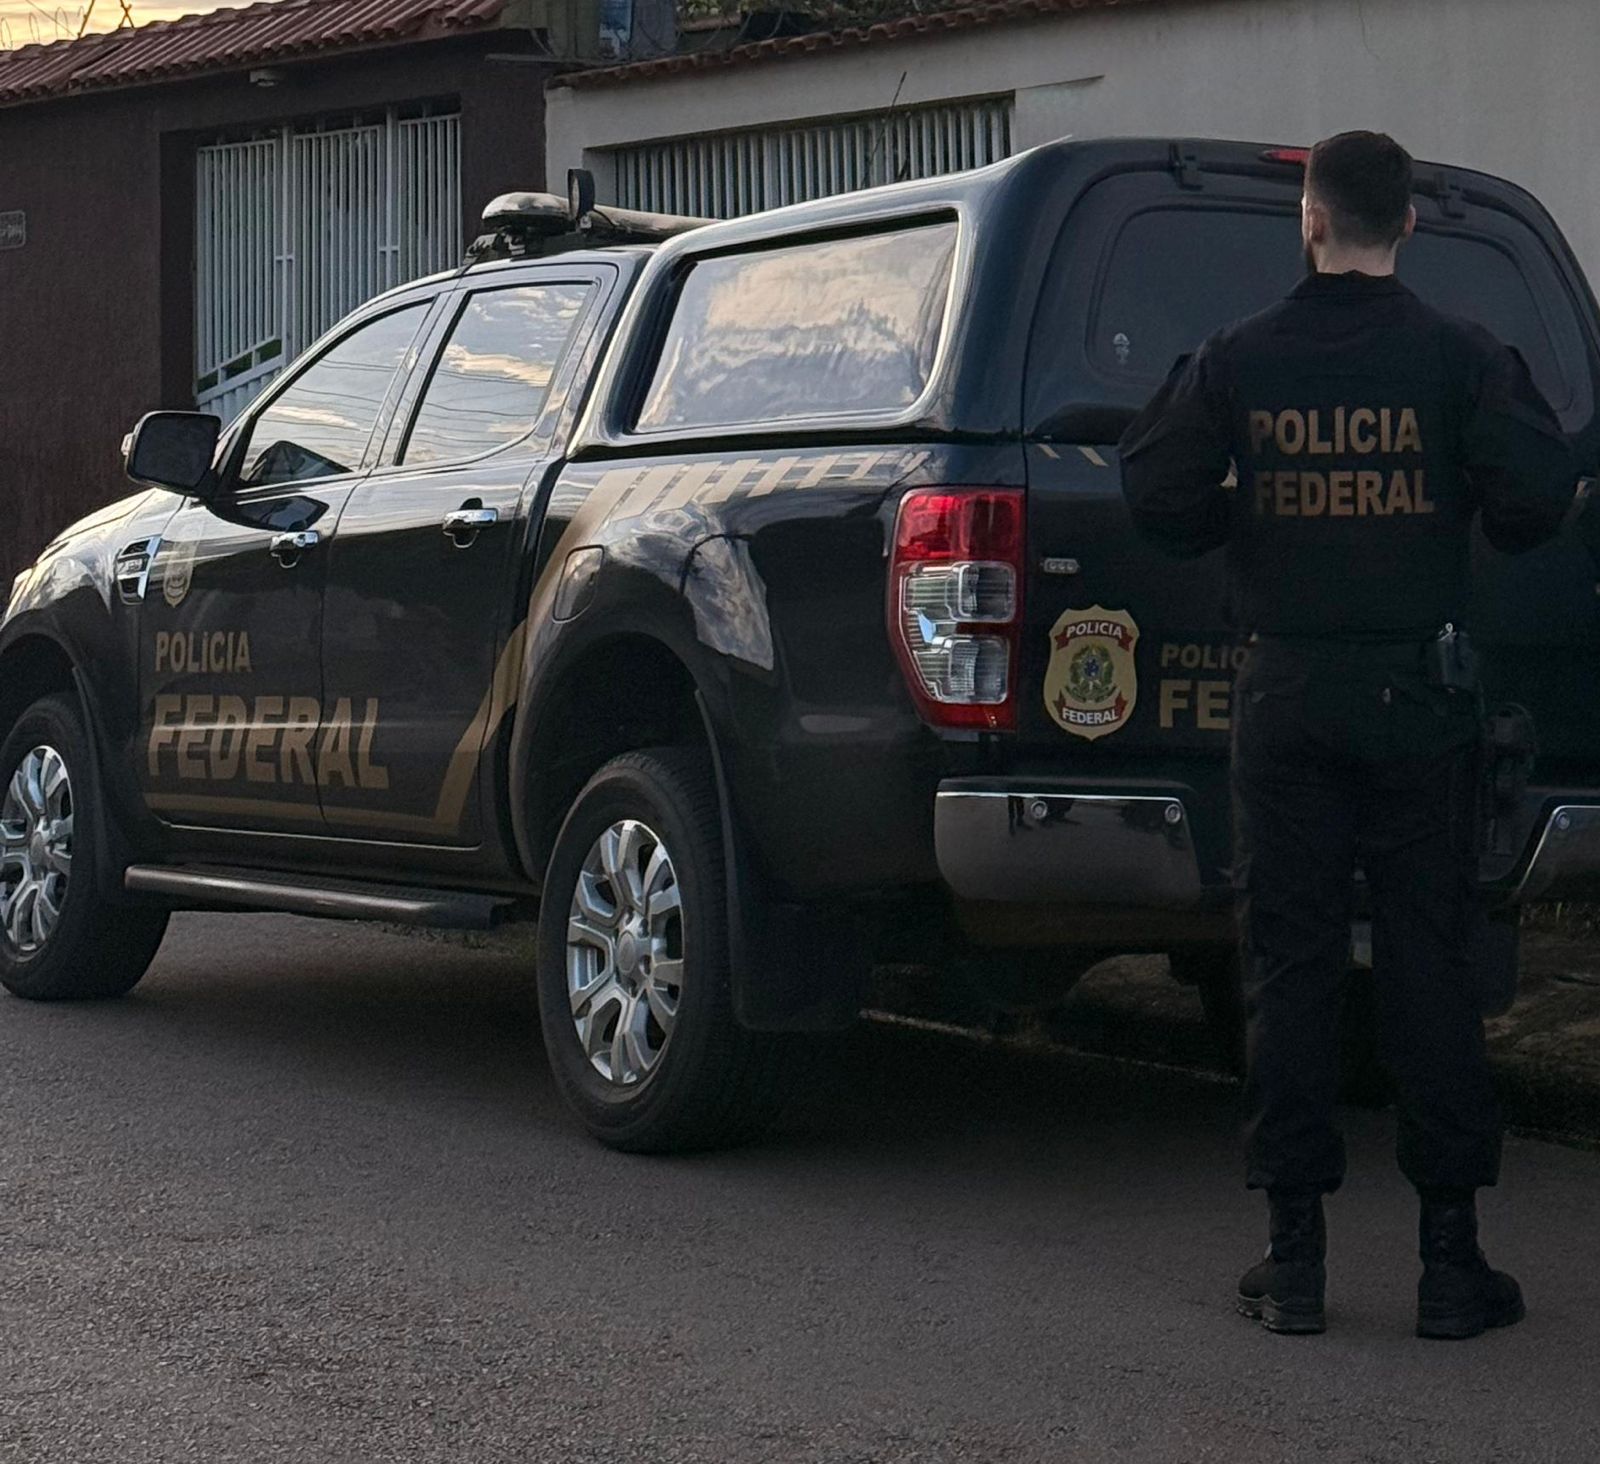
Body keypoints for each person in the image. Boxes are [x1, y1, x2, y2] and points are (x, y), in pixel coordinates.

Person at [1118, 131, 1579, 1339]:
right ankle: (1449, 1266)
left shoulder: (1239, 357)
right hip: (1418, 704)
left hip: (1282, 699)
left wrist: (1241, 517)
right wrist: (1456, 503)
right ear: (1408, 224)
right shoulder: (1459, 356)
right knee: (1431, 966)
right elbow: (1539, 497)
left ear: (1310, 221)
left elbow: (1153, 490)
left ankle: (1295, 1264)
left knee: (1289, 966)